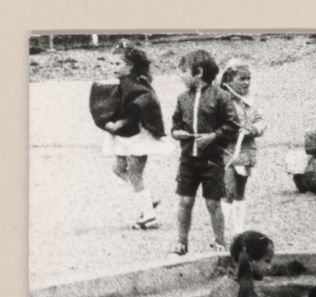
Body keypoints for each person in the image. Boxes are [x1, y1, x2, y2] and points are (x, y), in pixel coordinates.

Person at [168, 49, 239, 256]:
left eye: (183, 71)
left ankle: (219, 242)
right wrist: (176, 133)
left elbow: (233, 125)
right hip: (188, 159)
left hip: (212, 160)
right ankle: (181, 241)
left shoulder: (221, 97)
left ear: (198, 72)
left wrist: (214, 136)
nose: (181, 76)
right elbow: (175, 123)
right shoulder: (182, 98)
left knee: (213, 203)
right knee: (184, 201)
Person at [91, 40, 165, 230]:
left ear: (130, 66)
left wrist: (120, 123)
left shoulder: (134, 83)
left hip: (137, 135)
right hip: (126, 135)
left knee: (134, 173)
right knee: (118, 168)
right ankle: (147, 198)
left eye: (118, 64)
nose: (113, 67)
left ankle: (149, 216)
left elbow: (141, 106)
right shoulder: (126, 82)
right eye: (112, 63)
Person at [218, 58, 265, 239]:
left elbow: (260, 120)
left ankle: (238, 231)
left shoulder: (249, 101)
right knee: (227, 190)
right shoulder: (222, 99)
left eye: (248, 79)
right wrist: (233, 131)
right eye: (241, 79)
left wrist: (253, 129)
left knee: (240, 191)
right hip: (227, 151)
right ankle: (220, 233)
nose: (246, 83)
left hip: (245, 152)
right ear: (229, 80)